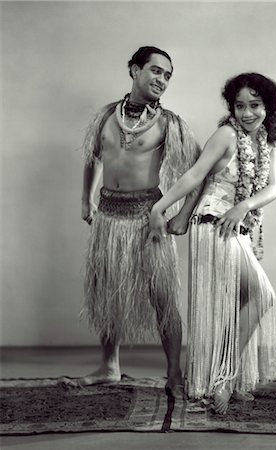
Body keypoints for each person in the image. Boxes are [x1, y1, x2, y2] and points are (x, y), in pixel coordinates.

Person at [149, 72, 276, 413]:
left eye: (255, 105)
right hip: (212, 224)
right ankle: (223, 378)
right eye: (240, 106)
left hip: (236, 224)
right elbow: (196, 174)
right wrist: (160, 207)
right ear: (232, 109)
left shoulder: (269, 142)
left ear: (268, 106)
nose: (247, 113)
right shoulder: (226, 134)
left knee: (245, 301)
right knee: (261, 294)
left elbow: (273, 188)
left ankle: (224, 376)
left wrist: (243, 206)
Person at [74, 46, 201, 396]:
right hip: (108, 217)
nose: (162, 79)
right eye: (156, 71)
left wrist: (183, 216)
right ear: (134, 70)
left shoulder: (168, 123)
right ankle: (109, 367)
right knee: (108, 294)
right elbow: (92, 158)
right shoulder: (104, 117)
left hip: (149, 219)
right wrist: (87, 198)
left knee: (163, 298)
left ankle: (174, 374)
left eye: (167, 75)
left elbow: (199, 172)